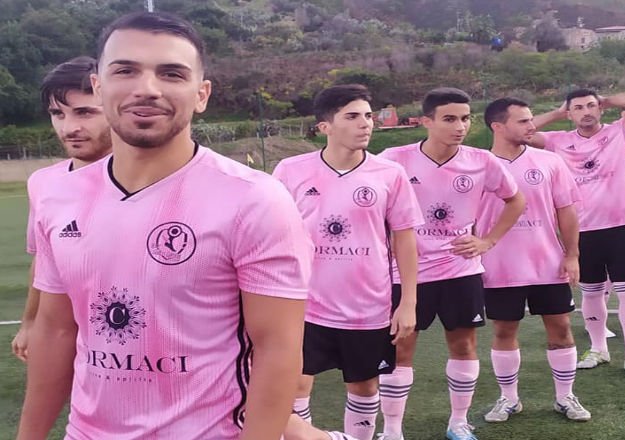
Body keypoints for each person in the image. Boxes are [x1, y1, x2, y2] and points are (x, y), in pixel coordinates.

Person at [16, 12, 312, 440]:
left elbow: (277, 349)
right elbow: (56, 329)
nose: (147, 88)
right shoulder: (57, 196)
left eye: (171, 73)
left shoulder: (254, 199)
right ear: (99, 86)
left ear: (201, 94)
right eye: (126, 71)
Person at [273, 84, 422, 440]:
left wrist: (408, 302)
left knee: (365, 386)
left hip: (367, 305)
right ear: (325, 126)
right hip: (304, 305)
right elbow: (270, 234)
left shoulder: (389, 174)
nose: (365, 123)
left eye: (368, 116)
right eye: (353, 116)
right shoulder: (290, 170)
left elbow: (404, 239)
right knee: (295, 384)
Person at [378, 87, 525, 440]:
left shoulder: (481, 161)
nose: (460, 126)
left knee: (463, 346)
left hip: (460, 270)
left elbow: (516, 200)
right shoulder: (393, 159)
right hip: (405, 273)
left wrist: (487, 240)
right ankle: (392, 430)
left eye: (465, 118)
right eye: (449, 119)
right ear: (426, 121)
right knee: (400, 348)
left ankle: (458, 422)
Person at [530, 89, 625, 378]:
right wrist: (557, 113)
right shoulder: (558, 141)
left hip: (622, 227)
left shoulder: (620, 132)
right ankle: (598, 349)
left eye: (591, 106)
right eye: (578, 108)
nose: (586, 111)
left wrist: (605, 100)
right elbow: (522, 131)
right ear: (569, 113)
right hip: (582, 231)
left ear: (600, 109)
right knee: (592, 293)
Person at [480, 98, 590, 423]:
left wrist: (572, 254)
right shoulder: (478, 165)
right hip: (498, 266)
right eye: (523, 121)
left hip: (547, 263)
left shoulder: (549, 161)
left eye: (531, 119)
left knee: (561, 327)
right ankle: (509, 398)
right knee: (503, 330)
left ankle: (565, 396)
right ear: (498, 126)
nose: (532, 126)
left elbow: (567, 211)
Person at [11, 56, 113, 362]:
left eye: (85, 112)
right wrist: (30, 322)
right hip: (66, 329)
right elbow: (44, 259)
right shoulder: (43, 183)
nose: (69, 128)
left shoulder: (148, 179)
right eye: (57, 114)